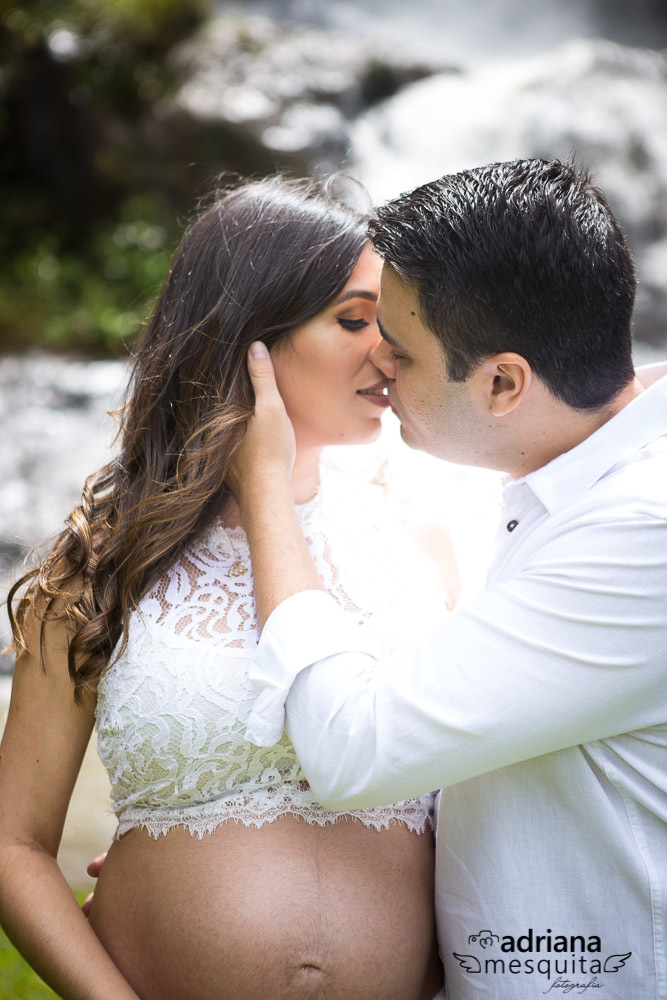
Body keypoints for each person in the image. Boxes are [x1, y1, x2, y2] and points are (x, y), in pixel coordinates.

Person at [0, 176, 454, 1000]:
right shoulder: (104, 561)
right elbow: (14, 845)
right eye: (354, 321)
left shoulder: (422, 536)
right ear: (247, 333)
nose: (388, 351)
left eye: (390, 326)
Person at [227, 159, 667, 999]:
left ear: (502, 382)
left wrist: (267, 492)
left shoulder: (638, 532)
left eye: (403, 353)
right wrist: (230, 851)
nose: (379, 371)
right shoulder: (556, 480)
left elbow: (358, 748)